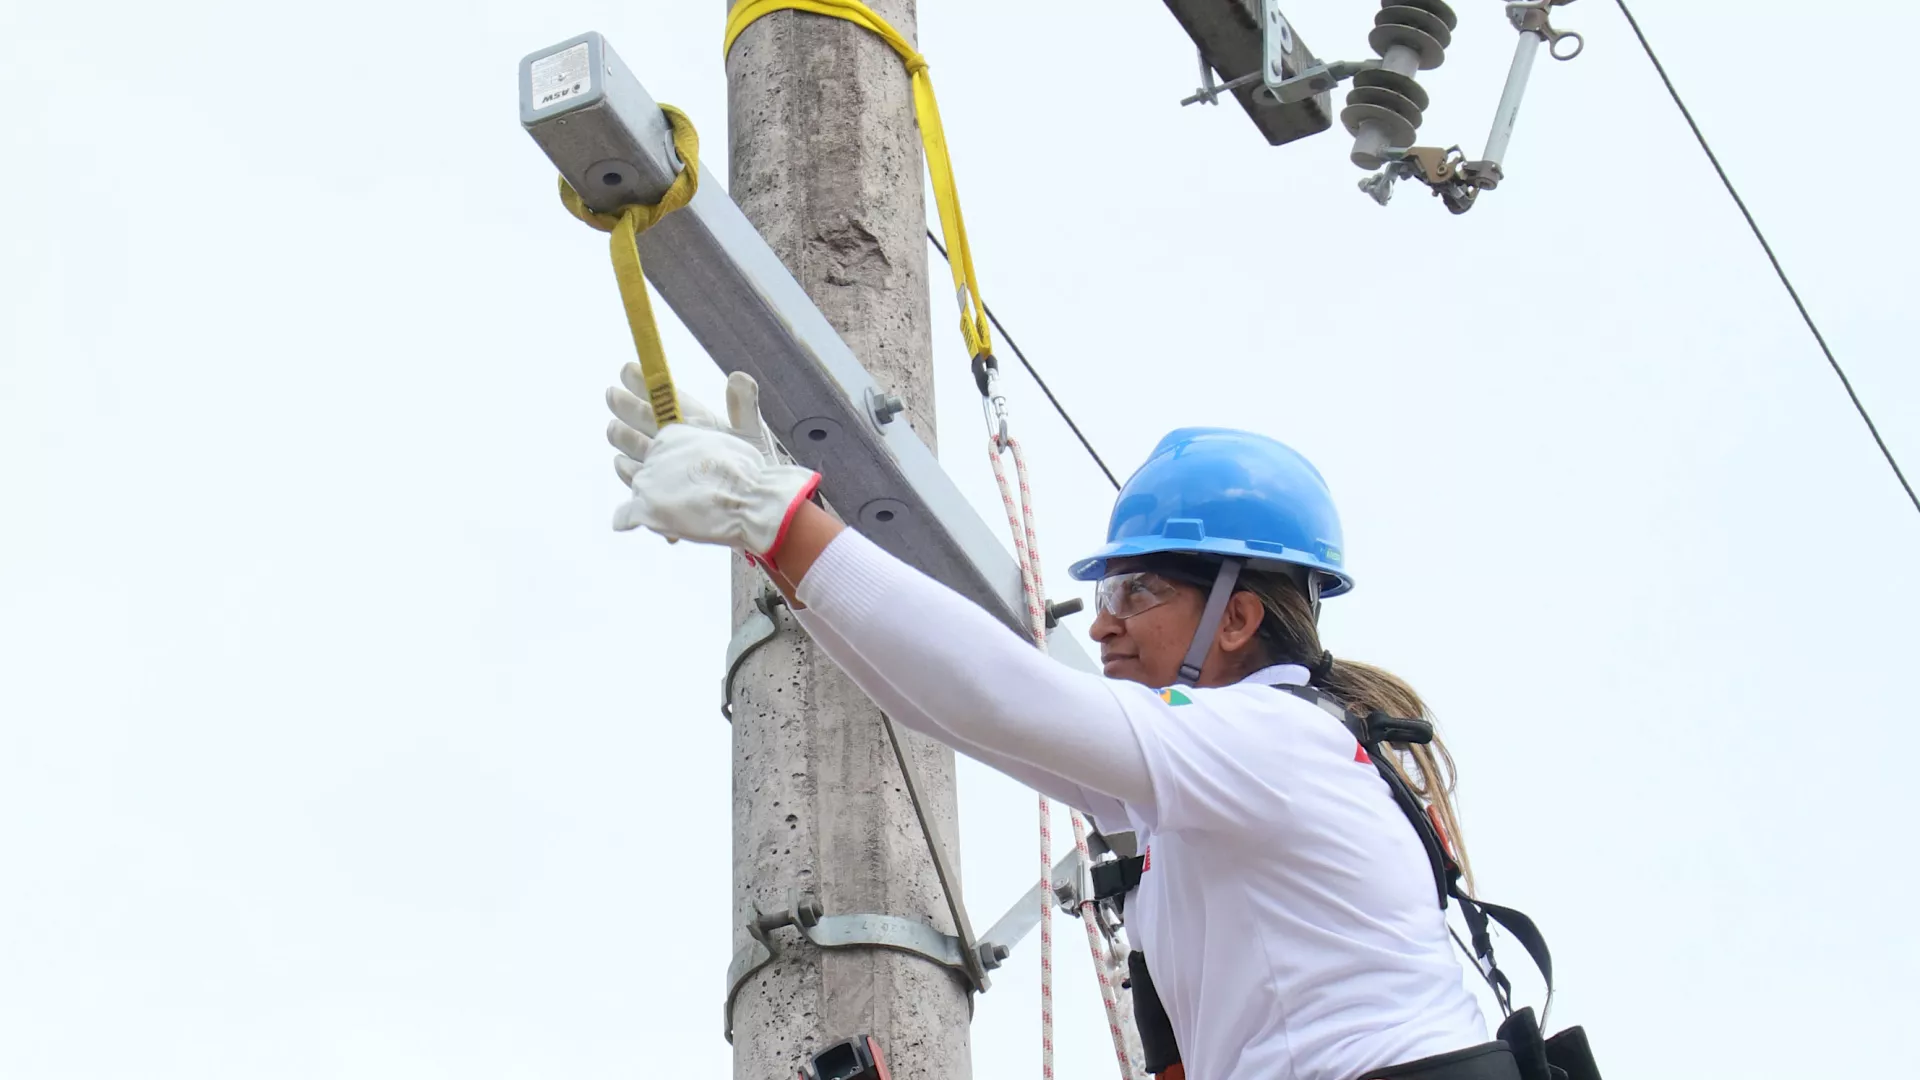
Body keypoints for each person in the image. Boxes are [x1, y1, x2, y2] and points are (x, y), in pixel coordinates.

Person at [603, 367, 1526, 1080]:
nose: (1108, 621)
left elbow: (1002, 694)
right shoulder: (1231, 772)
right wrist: (775, 544)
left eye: (1138, 589)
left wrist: (778, 521)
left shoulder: (1272, 741)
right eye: (1104, 591)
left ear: (1237, 617)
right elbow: (944, 705)